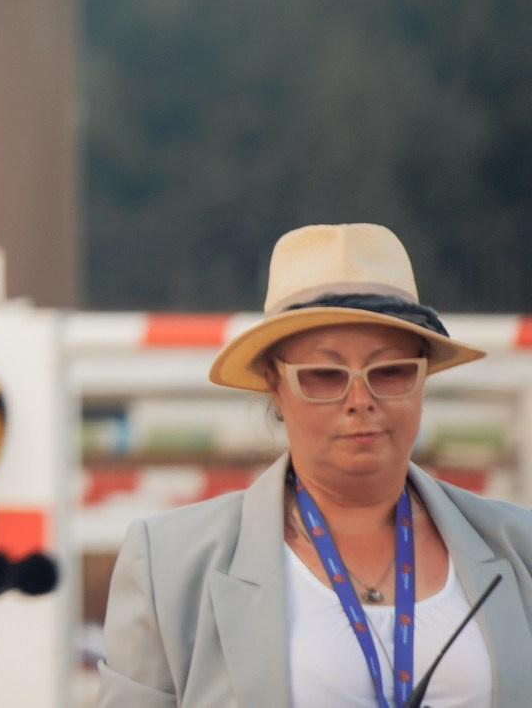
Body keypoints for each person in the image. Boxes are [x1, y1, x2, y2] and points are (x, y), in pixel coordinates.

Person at [96, 223, 532, 707]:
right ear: (274, 384)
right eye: (325, 375)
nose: (360, 399)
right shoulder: (170, 565)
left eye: (390, 371)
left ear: (423, 378)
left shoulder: (520, 550)